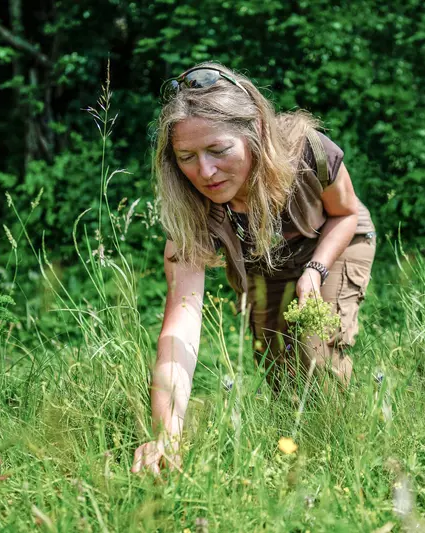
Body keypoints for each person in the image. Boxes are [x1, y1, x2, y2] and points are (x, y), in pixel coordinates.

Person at [131, 63, 376, 474]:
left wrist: (314, 271)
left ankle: (339, 465)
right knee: (284, 377)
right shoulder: (189, 207)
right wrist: (166, 433)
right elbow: (182, 322)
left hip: (332, 242)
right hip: (263, 265)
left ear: (256, 132)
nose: (204, 172)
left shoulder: (308, 151)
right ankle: (288, 464)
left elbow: (346, 213)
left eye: (218, 150)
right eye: (186, 157)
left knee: (316, 361)